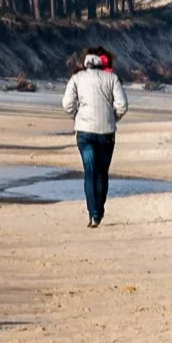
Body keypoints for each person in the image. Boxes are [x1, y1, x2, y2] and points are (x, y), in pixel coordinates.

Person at [62, 46, 128, 227]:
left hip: (85, 132)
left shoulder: (76, 78)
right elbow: (122, 105)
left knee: (90, 172)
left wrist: (77, 116)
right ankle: (98, 211)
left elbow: (67, 104)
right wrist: (112, 118)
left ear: (85, 62)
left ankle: (93, 213)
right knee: (102, 173)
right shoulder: (112, 78)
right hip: (106, 132)